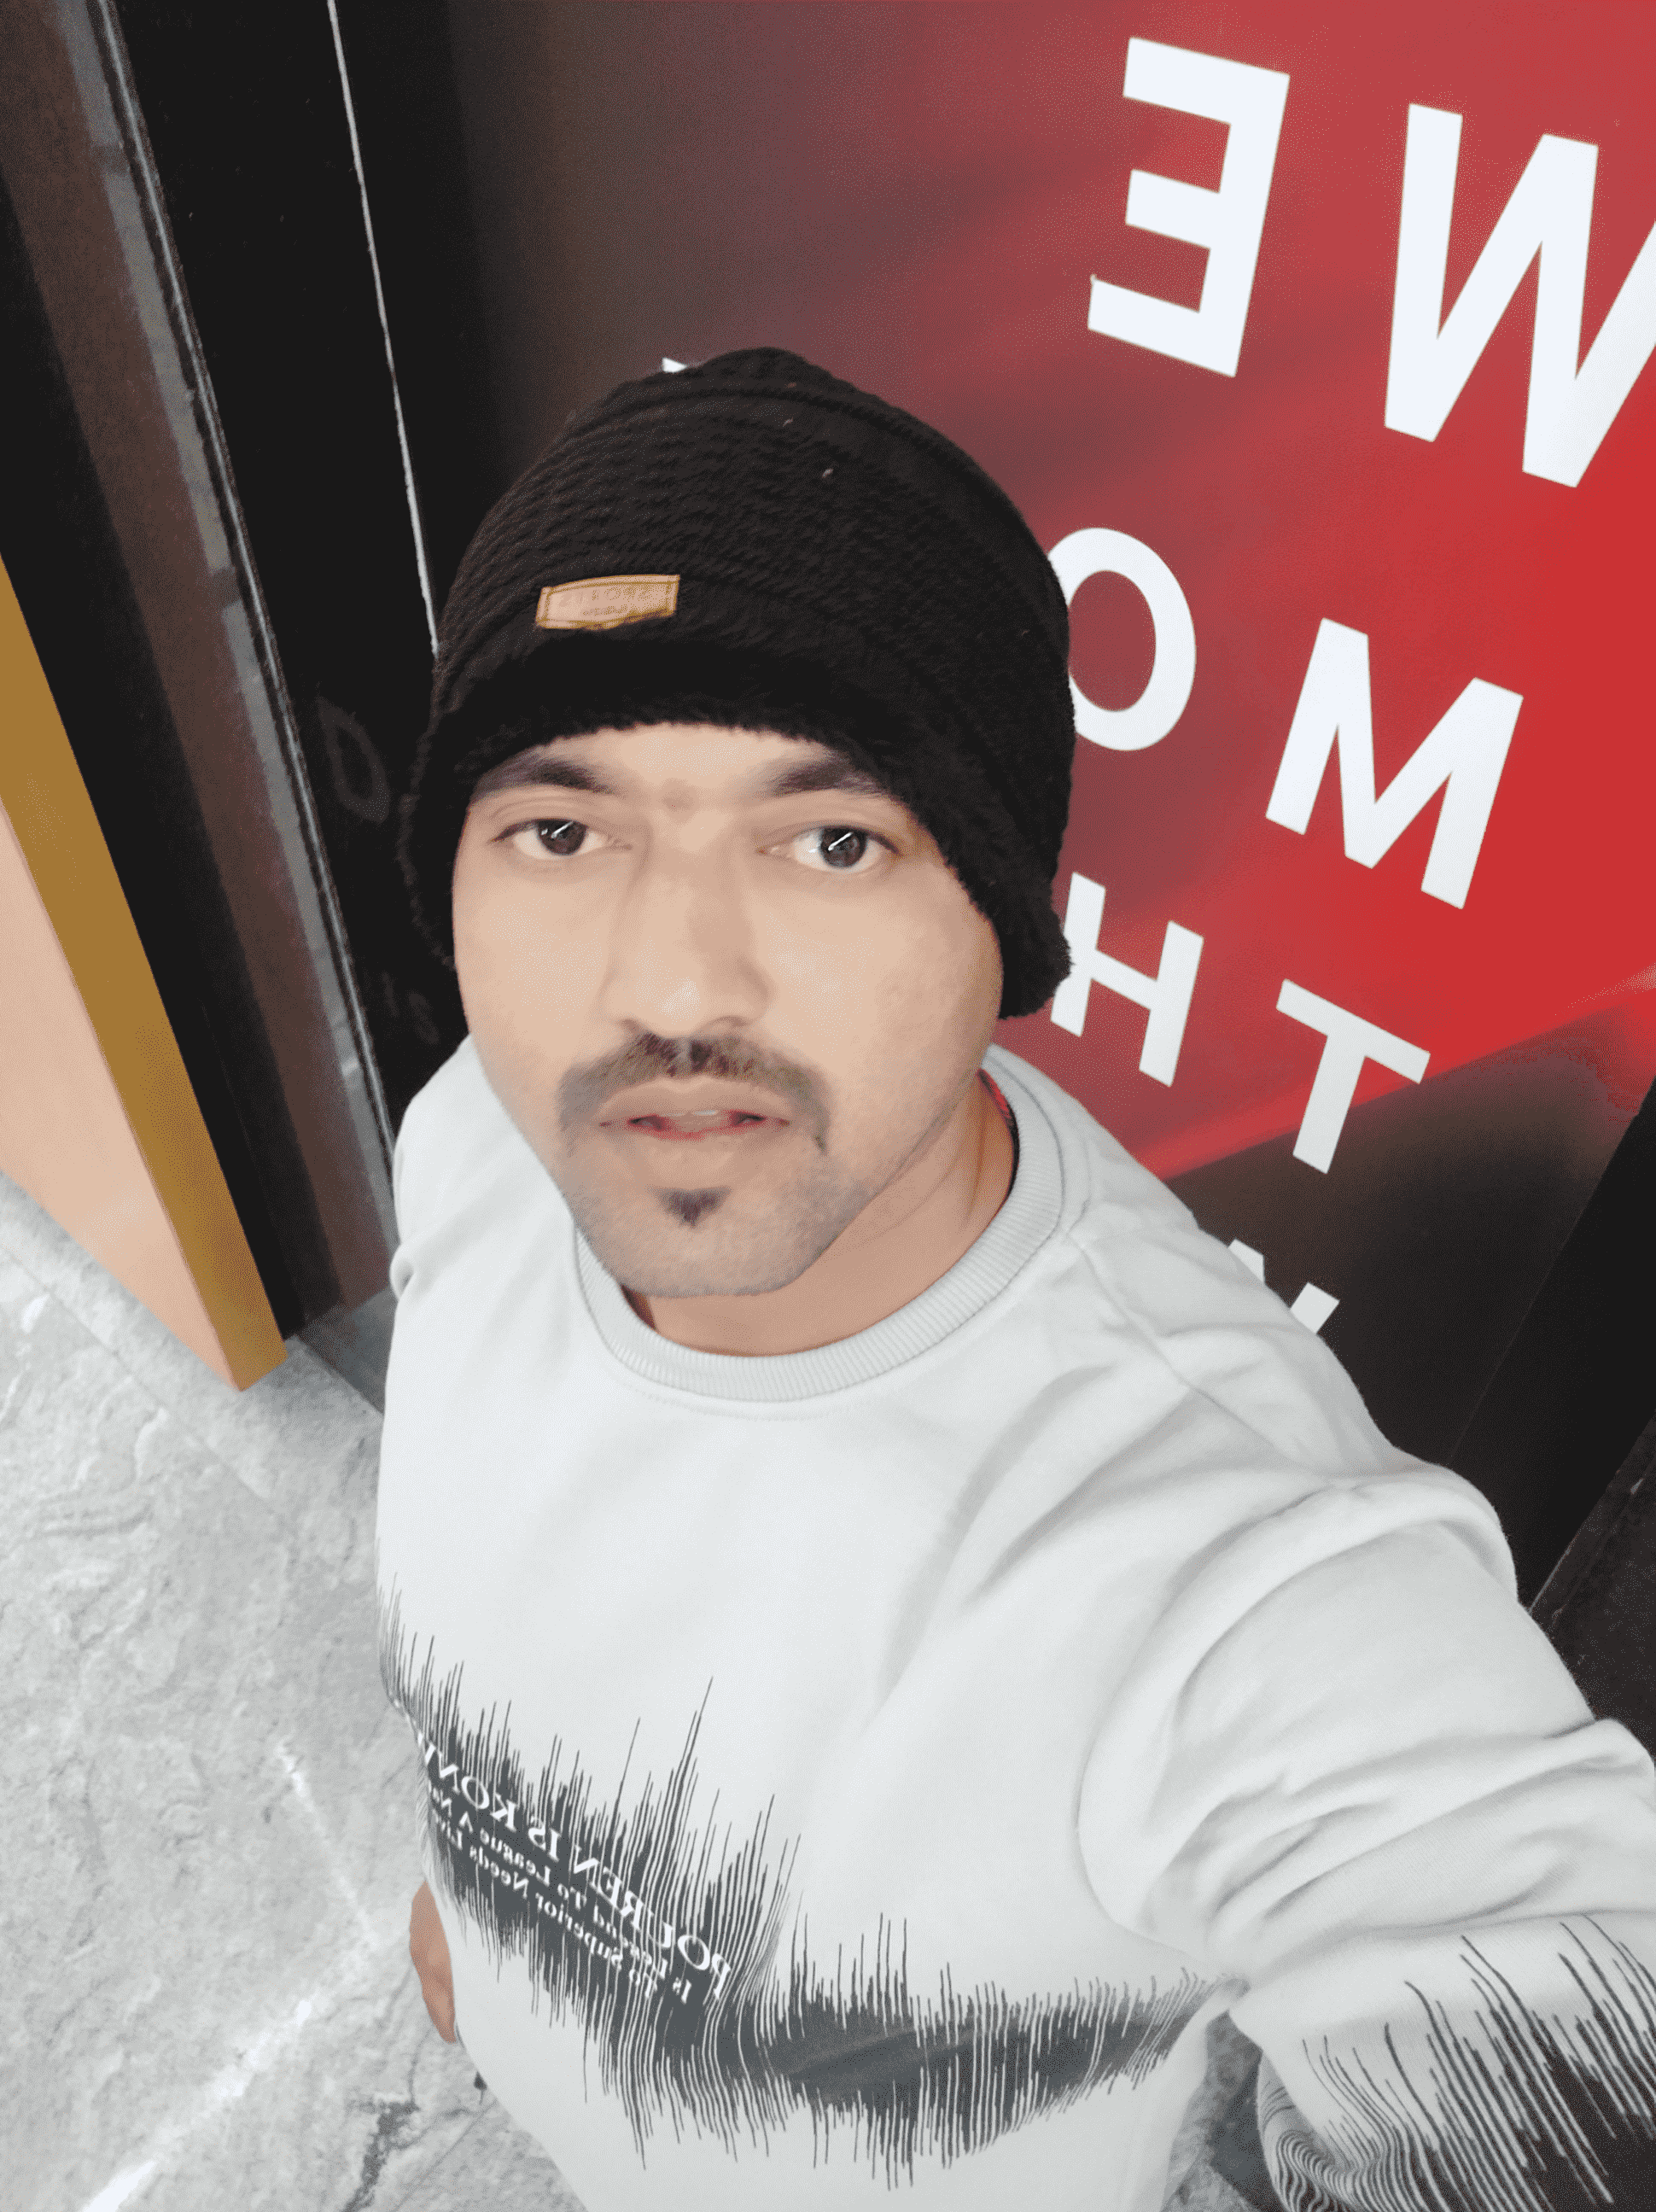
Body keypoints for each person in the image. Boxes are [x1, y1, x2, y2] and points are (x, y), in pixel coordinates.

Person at [377, 348, 1656, 2211]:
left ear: (1003, 921)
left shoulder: (1234, 1584)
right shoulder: (473, 1145)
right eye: (559, 831)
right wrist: (499, 1950)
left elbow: (1537, 2012)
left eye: (832, 839)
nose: (670, 986)